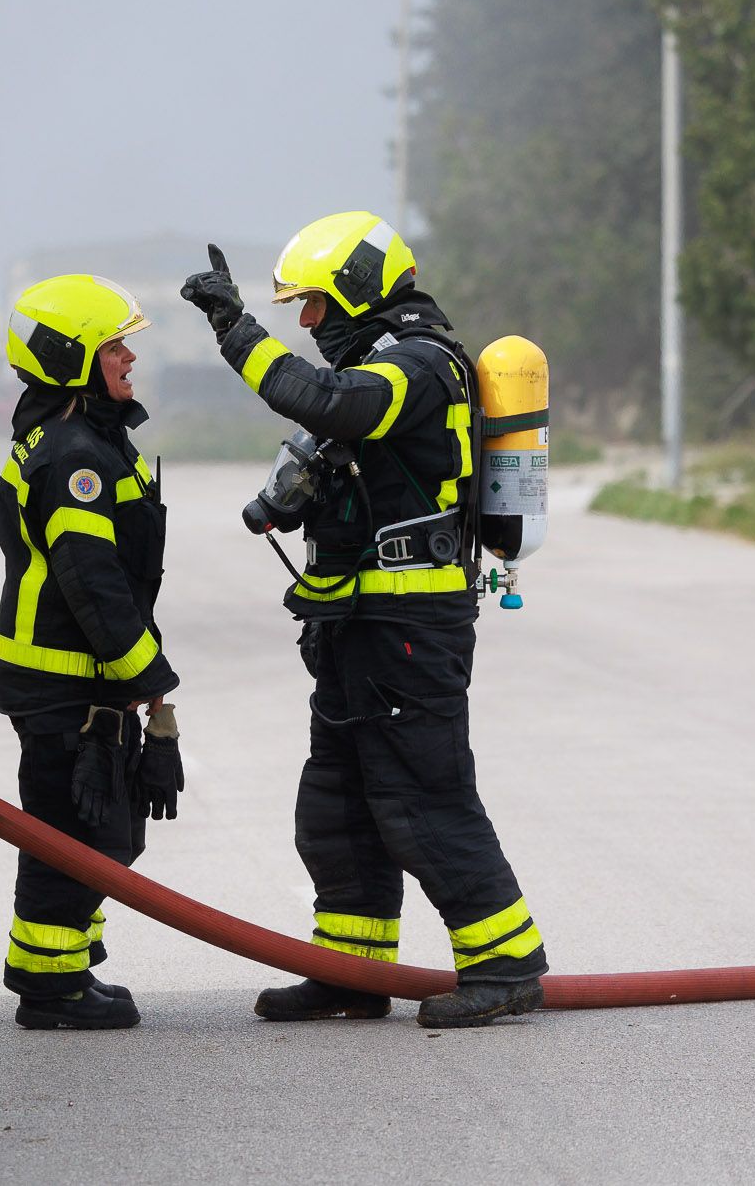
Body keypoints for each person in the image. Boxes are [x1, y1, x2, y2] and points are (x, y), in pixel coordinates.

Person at [180, 213, 548, 1029]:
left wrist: (236, 330)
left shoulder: (416, 365)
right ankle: (351, 971)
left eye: (312, 305)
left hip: (410, 626)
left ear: (357, 288)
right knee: (337, 802)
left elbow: (321, 399)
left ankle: (506, 963)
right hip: (358, 622)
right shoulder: (383, 364)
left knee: (422, 796)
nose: (307, 324)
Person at [0, 273, 183, 1031]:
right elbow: (93, 582)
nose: (129, 356)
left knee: (91, 824)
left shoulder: (85, 438)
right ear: (72, 357)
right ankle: (48, 987)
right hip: (63, 683)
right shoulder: (75, 454)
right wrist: (152, 682)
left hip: (78, 683)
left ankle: (70, 966)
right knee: (73, 833)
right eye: (114, 345)